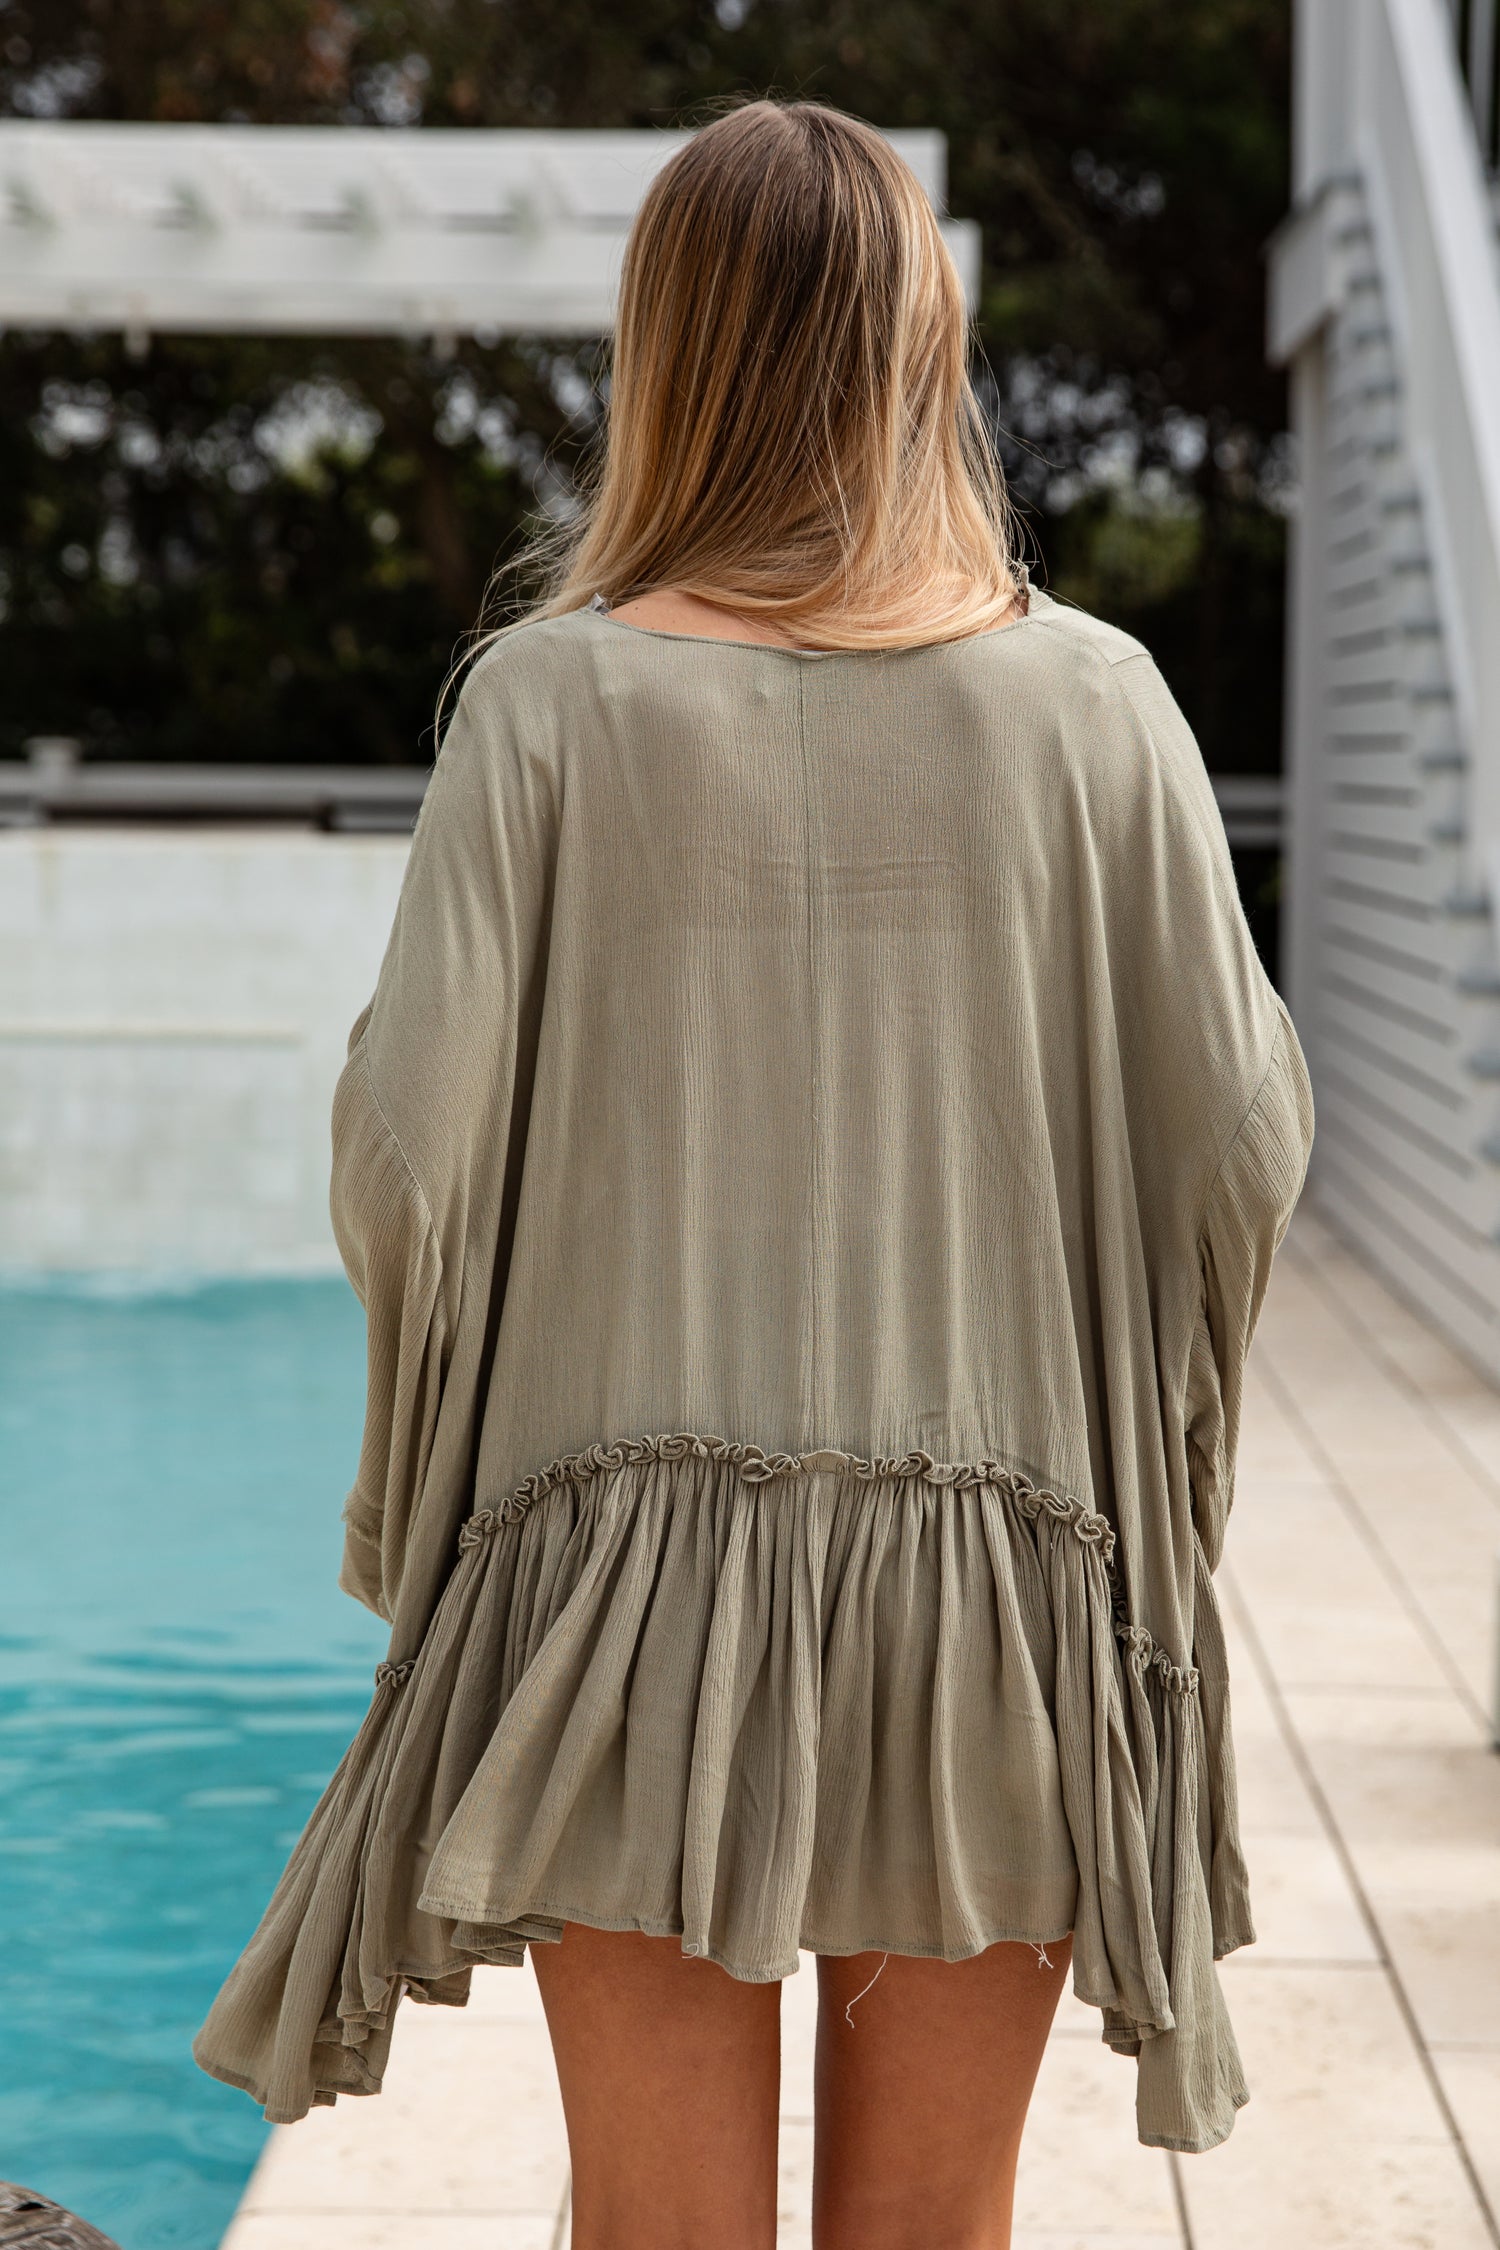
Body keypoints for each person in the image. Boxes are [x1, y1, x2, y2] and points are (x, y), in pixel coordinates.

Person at [195, 97, 1314, 2250]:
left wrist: (422, 1515)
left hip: (617, 1585)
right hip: (1004, 1581)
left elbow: (402, 1159)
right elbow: (1243, 1149)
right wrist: (1147, 1495)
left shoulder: (542, 708)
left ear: (668, 356)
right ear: (926, 350)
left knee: (653, 2234)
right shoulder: (1104, 713)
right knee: (931, 2233)